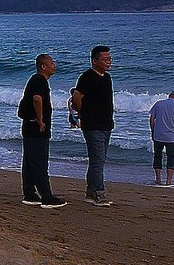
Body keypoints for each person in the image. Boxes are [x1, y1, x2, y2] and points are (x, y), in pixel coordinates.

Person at [18, 53, 66, 208]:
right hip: (36, 128)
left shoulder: (35, 80)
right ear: (43, 66)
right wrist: (40, 120)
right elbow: (37, 99)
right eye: (52, 63)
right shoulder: (40, 80)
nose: (55, 65)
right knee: (39, 161)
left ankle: (30, 193)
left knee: (30, 161)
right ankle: (46, 196)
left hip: (28, 127)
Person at [73, 45, 114, 206]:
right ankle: (99, 193)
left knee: (98, 160)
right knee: (97, 161)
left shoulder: (107, 77)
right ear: (94, 60)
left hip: (106, 124)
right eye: (105, 59)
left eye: (110, 59)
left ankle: (91, 193)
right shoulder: (87, 76)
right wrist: (84, 113)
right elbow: (77, 97)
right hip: (92, 125)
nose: (109, 62)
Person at [149, 91, 174, 187]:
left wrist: (153, 131)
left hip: (157, 136)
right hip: (171, 138)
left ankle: (158, 179)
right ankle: (168, 181)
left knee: (157, 157)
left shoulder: (159, 103)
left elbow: (152, 118)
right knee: (171, 159)